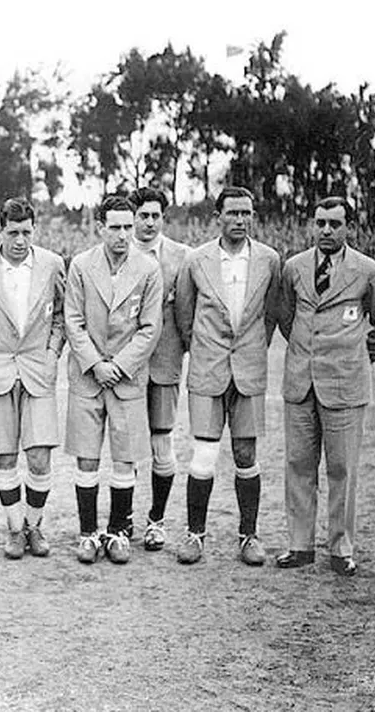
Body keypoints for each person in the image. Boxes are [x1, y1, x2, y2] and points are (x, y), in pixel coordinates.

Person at [173, 186, 280, 566]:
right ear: (217, 216)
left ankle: (249, 536)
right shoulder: (196, 260)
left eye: (246, 214)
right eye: (232, 213)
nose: (240, 220)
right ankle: (194, 535)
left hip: (248, 369)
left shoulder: (269, 260)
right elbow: (184, 315)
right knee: (203, 455)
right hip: (207, 369)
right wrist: (203, 349)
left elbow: (271, 315)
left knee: (246, 453)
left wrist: (250, 349)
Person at [276, 197, 375, 576]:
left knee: (342, 468)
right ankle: (300, 545)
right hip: (301, 383)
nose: (326, 231)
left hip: (346, 386)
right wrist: (309, 355)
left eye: (335, 224)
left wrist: (351, 359)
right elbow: (285, 318)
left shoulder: (368, 271)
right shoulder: (294, 268)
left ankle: (341, 548)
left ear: (349, 227)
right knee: (298, 464)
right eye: (320, 223)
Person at [64, 195, 163, 565]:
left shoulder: (149, 268)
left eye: (128, 226)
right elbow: (72, 319)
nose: (123, 234)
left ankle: (118, 531)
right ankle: (88, 534)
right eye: (116, 227)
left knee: (125, 459)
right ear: (100, 227)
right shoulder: (81, 265)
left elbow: (151, 328)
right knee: (87, 458)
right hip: (88, 378)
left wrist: (119, 366)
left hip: (127, 379)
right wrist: (95, 364)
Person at [0, 197, 66, 559]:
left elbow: (61, 313)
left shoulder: (53, 264)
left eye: (27, 232)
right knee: (6, 458)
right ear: (1, 230)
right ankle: (13, 530)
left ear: (34, 230)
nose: (20, 241)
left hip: (38, 370)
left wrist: (52, 352)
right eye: (13, 233)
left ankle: (34, 525)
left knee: (40, 457)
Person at [127, 187, 191, 552]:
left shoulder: (182, 257)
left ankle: (156, 520)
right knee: (128, 446)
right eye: (143, 216)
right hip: (127, 367)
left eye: (156, 216)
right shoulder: (117, 252)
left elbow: (187, 315)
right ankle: (123, 520)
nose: (150, 223)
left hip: (165, 365)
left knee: (161, 443)